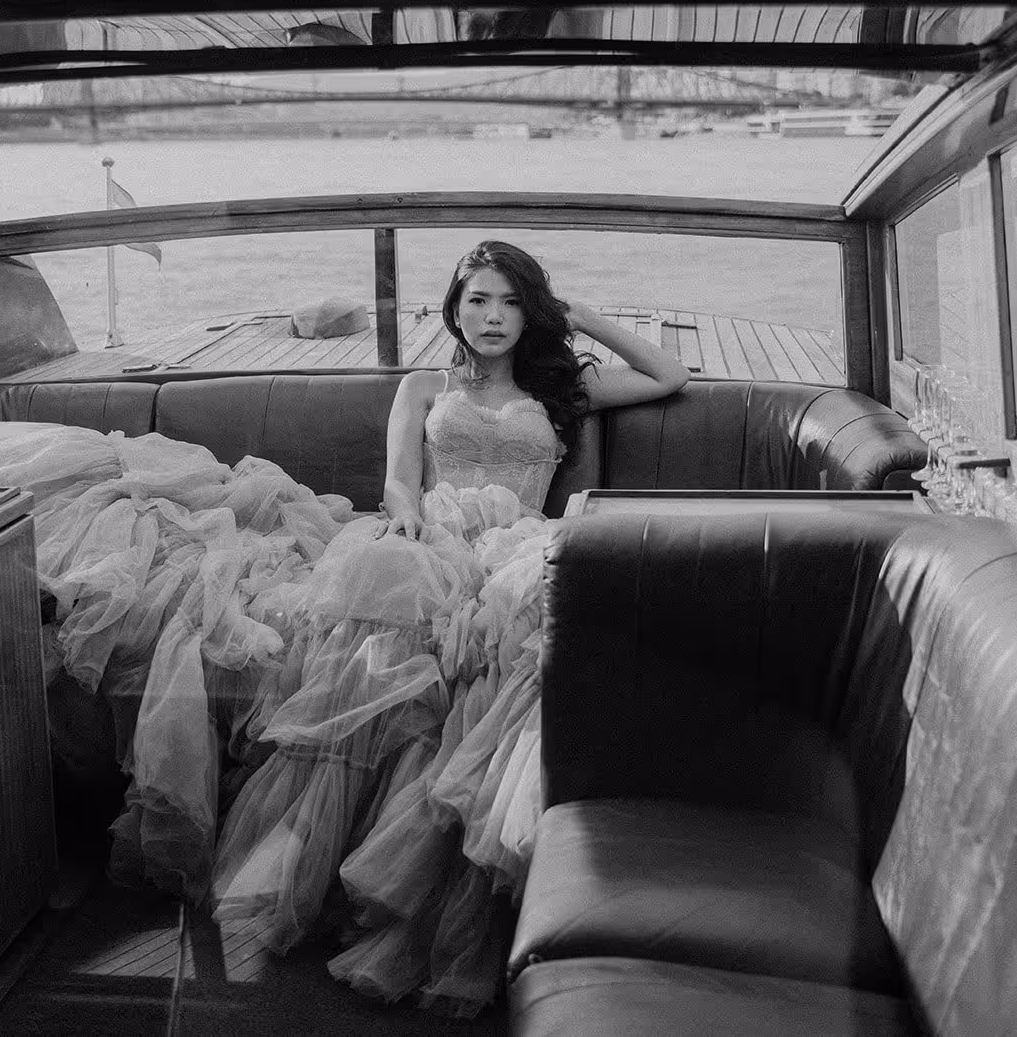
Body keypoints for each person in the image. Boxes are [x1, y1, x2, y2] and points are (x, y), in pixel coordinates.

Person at [206, 240, 689, 1015]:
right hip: (434, 540)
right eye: (478, 301)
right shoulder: (423, 386)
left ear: (531, 312)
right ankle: (339, 871)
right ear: (454, 308)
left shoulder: (563, 386)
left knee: (519, 645)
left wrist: (581, 316)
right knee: (384, 633)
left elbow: (672, 377)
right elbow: (400, 481)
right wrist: (414, 528)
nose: (493, 318)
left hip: (520, 548)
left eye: (511, 302)